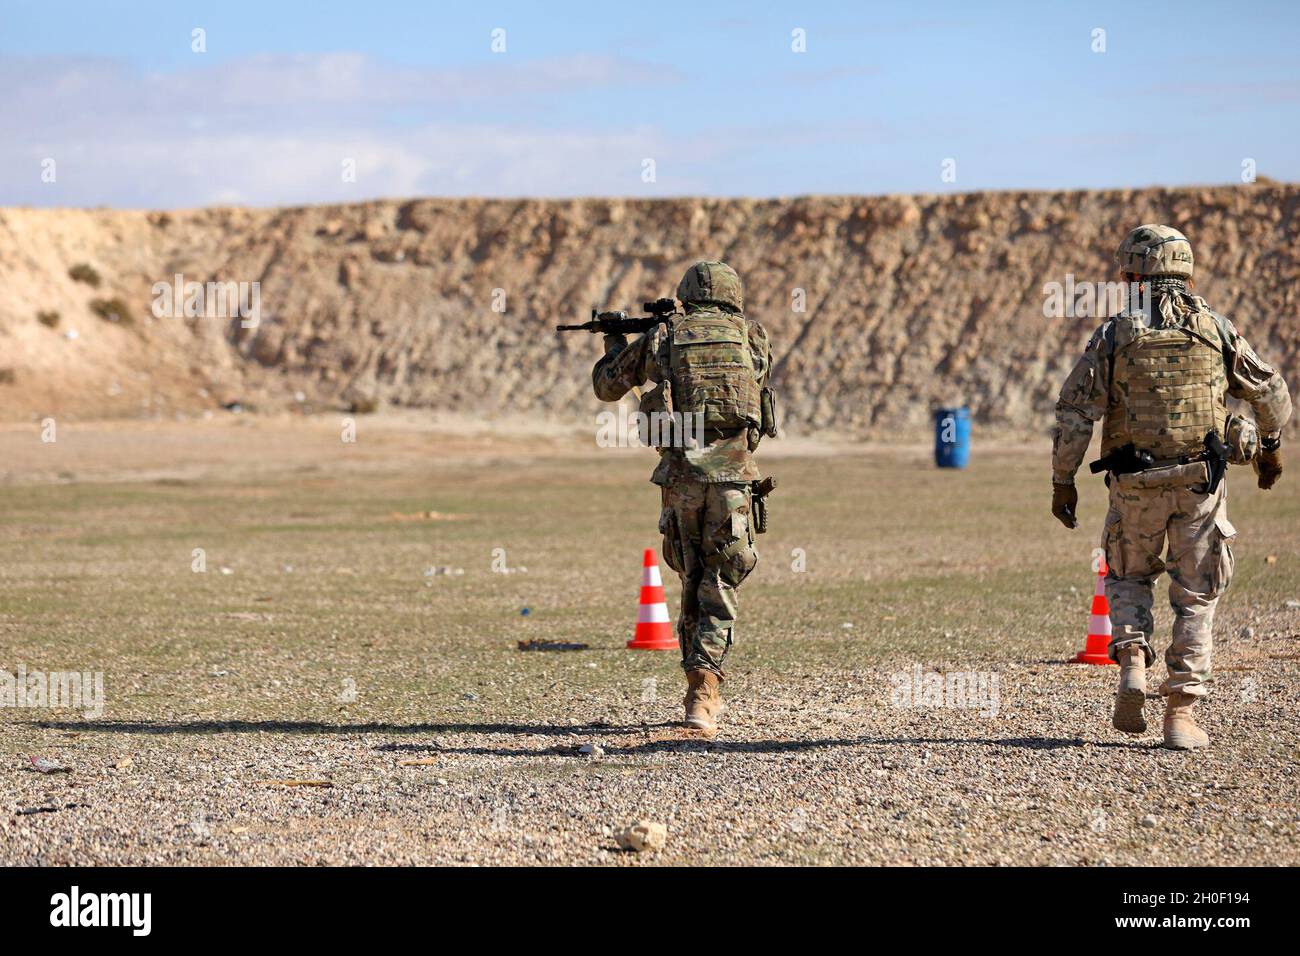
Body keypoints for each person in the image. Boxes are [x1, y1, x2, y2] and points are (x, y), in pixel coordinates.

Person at [1051, 224, 1291, 749]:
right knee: (1196, 597)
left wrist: (1062, 481)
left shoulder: (1113, 336)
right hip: (1199, 486)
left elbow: (1075, 414)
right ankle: (1180, 714)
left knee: (1128, 576)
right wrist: (1270, 450)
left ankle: (1133, 660)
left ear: (1132, 275)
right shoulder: (1216, 330)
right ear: (1183, 272)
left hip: (1133, 485)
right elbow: (1271, 390)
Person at [592, 261, 777, 733]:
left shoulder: (663, 338)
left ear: (686, 294)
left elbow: (607, 385)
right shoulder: (752, 338)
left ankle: (698, 689)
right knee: (722, 579)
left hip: (680, 482)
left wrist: (615, 339)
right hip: (734, 480)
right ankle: (704, 691)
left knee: (691, 578)